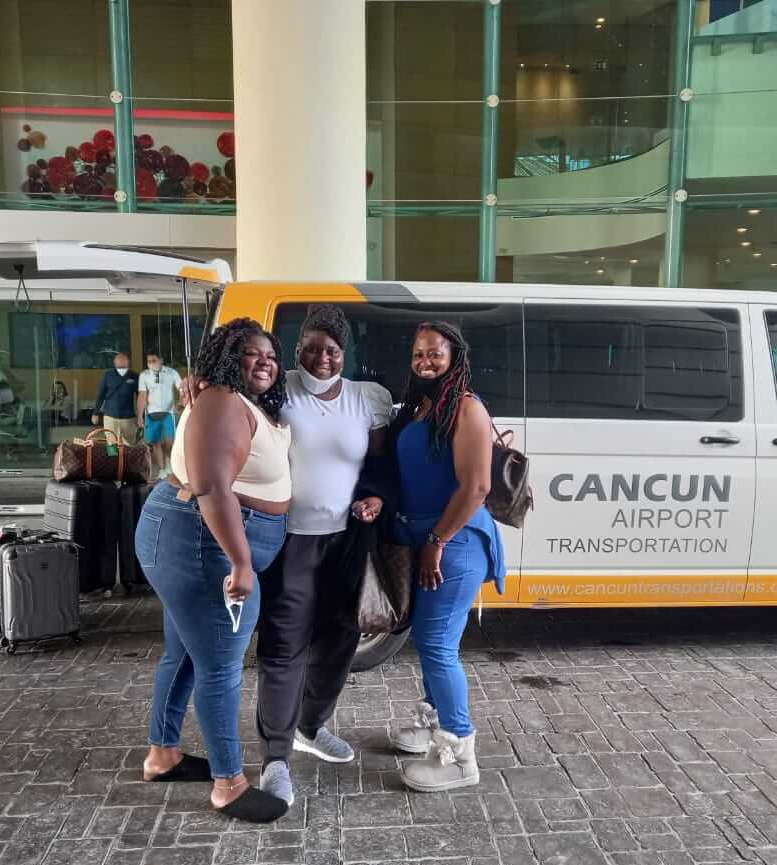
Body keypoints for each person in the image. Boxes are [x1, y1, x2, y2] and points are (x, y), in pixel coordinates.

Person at [135, 318, 292, 823]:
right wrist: (242, 562)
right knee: (220, 666)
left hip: (196, 539)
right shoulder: (223, 400)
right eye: (251, 352)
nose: (264, 360)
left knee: (183, 654)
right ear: (228, 358)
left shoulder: (235, 401)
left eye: (270, 353)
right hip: (205, 544)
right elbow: (212, 488)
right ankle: (228, 784)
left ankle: (163, 755)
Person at [254, 304, 393, 807]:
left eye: (331, 350)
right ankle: (274, 757)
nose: (320, 358)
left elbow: (378, 463)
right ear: (296, 350)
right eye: (310, 348)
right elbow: (234, 401)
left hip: (347, 540)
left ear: (344, 353)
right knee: (285, 645)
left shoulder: (366, 400)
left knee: (340, 640)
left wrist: (375, 495)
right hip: (292, 540)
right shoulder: (278, 388)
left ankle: (310, 726)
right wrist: (198, 388)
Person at [387, 320, 505, 793]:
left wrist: (436, 541)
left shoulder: (466, 408)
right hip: (427, 538)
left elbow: (476, 487)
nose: (425, 362)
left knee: (437, 645)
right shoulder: (423, 406)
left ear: (455, 356)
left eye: (435, 353)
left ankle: (458, 753)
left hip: (452, 541)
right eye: (418, 354)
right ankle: (432, 725)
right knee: (430, 641)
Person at [138, 351, 183, 479]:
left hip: (168, 412)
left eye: (154, 360)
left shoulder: (171, 373)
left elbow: (181, 389)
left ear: (161, 360)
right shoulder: (144, 375)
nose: (151, 363)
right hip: (151, 413)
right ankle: (162, 469)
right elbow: (142, 395)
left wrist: (179, 404)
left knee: (170, 441)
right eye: (149, 361)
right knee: (155, 442)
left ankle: (170, 462)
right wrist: (140, 415)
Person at [92, 352, 139, 445]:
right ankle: (113, 459)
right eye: (119, 361)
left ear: (128, 362)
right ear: (115, 363)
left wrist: (141, 416)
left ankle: (128, 460)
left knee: (130, 445)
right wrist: (95, 413)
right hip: (110, 417)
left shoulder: (134, 376)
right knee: (111, 445)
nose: (121, 363)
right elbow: (100, 395)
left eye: (123, 360)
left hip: (129, 418)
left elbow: (140, 397)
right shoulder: (108, 375)